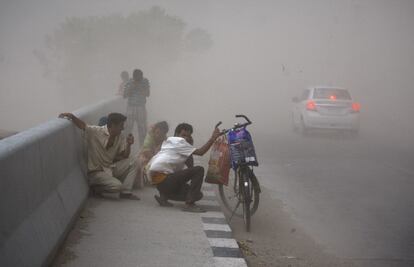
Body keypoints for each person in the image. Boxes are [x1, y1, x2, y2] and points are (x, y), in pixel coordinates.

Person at [58, 112, 140, 200]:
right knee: (117, 186)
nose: (123, 128)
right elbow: (83, 126)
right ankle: (97, 189)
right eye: (121, 125)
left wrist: (129, 144)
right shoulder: (96, 131)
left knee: (134, 161)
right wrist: (72, 117)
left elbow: (125, 156)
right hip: (96, 172)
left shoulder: (120, 137)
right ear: (113, 125)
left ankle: (126, 192)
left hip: (110, 167)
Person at [147, 123, 221, 212]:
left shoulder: (169, 142)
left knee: (198, 195)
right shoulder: (179, 142)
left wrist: (189, 146)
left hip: (160, 184)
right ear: (176, 134)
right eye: (183, 135)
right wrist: (213, 138)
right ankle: (189, 205)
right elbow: (201, 152)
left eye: (188, 136)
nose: (186, 138)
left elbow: (190, 168)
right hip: (165, 181)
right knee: (199, 170)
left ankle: (164, 196)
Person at [134, 121, 169, 188]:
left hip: (156, 156)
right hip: (146, 156)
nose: (158, 135)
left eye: (160, 134)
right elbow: (146, 151)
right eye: (157, 133)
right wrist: (155, 159)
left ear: (164, 134)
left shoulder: (165, 140)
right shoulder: (150, 136)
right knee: (142, 163)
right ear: (154, 130)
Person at [123, 69, 150, 146]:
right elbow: (125, 95)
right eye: (137, 77)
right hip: (131, 107)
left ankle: (142, 147)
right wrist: (132, 86)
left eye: (140, 77)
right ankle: (125, 146)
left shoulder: (145, 81)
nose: (139, 79)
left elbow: (147, 94)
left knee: (142, 128)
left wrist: (139, 86)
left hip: (141, 107)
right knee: (128, 128)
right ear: (134, 77)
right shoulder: (129, 82)